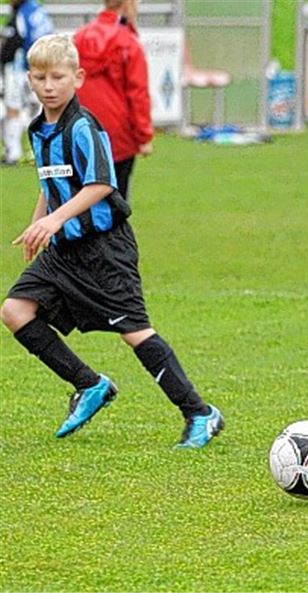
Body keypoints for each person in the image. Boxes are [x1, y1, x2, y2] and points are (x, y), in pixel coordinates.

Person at [0, 34, 223, 449]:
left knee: (134, 332)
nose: (49, 86)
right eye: (40, 78)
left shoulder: (83, 127)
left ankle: (199, 412)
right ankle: (89, 384)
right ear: (29, 79)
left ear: (78, 78)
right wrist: (38, 225)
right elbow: (49, 183)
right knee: (15, 310)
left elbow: (101, 184)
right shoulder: (38, 130)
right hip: (63, 250)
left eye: (58, 77)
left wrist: (54, 220)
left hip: (104, 248)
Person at [74, 0, 153, 200]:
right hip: (118, 134)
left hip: (82, 129)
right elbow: (138, 93)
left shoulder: (80, 37)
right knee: (116, 200)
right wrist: (143, 136)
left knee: (81, 199)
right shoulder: (127, 42)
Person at [0, 0, 52, 165]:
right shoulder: (38, 10)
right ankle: (43, 151)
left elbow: (14, 41)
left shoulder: (22, 13)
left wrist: (3, 57)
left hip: (22, 68)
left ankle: (13, 153)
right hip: (42, 66)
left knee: (13, 108)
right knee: (39, 109)